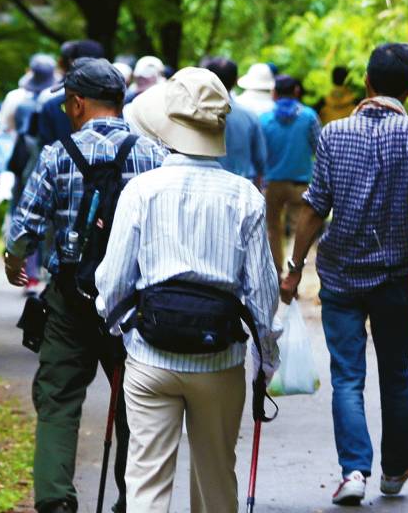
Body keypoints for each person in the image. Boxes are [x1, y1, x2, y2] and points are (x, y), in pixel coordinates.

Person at [96, 67, 280, 513]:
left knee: (146, 482)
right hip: (219, 359)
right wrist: (266, 362)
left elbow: (112, 281)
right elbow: (262, 294)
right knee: (216, 482)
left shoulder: (141, 190)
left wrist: (121, 328)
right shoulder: (245, 197)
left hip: (150, 355)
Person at [279, 42, 408, 505]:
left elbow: (314, 209)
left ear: (368, 84)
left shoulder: (333, 134)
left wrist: (294, 271)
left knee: (348, 377)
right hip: (393, 274)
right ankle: (394, 472)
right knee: (395, 373)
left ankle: (354, 472)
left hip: (339, 276)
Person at [2, 59, 168, 513]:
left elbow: (26, 228)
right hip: (134, 303)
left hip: (70, 298)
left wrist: (13, 262)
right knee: (135, 400)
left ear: (76, 104)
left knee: (57, 398)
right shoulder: (155, 155)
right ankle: (133, 500)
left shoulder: (57, 155)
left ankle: (55, 500)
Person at [0, 53, 59, 293]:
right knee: (53, 222)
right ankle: (46, 271)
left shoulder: (19, 102)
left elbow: (6, 128)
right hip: (59, 167)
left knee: (27, 214)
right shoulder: (56, 102)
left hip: (28, 166)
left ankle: (30, 273)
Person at [257, 74, 320, 275]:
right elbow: (319, 147)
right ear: (296, 91)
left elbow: (260, 152)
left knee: (273, 229)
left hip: (272, 183)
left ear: (274, 94)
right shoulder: (309, 116)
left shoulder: (265, 119)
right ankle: (295, 274)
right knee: (301, 230)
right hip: (300, 183)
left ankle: (277, 272)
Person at [29, 39, 111, 155]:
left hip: (59, 166)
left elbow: (40, 142)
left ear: (71, 61)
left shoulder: (50, 101)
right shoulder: (114, 102)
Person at [195, 57, 266, 187]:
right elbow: (260, 161)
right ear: (236, 80)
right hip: (242, 185)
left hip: (205, 186)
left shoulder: (194, 114)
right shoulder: (250, 116)